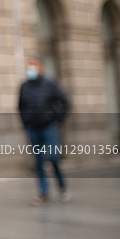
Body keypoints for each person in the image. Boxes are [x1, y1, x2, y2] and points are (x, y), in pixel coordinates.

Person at [17, 58, 71, 205]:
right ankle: (43, 192)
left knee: (53, 157)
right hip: (33, 128)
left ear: (40, 69)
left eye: (33, 68)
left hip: (49, 127)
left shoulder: (50, 84)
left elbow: (65, 103)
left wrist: (57, 120)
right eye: (29, 68)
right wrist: (25, 122)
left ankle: (62, 187)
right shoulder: (24, 86)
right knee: (38, 161)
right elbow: (20, 106)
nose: (31, 71)